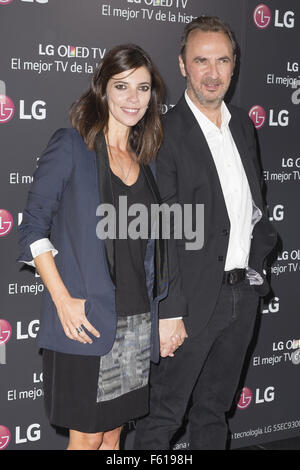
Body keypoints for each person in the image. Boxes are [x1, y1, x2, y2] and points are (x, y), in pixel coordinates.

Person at [18, 44, 177, 450]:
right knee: (86, 440)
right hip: (86, 320)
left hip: (136, 322)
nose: (133, 98)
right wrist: (62, 300)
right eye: (122, 86)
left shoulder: (147, 160)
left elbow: (150, 246)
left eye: (143, 88)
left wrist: (161, 310)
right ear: (102, 89)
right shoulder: (73, 145)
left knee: (113, 436)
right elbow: (34, 226)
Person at [134, 16, 277, 450]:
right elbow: (161, 228)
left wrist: (255, 269)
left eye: (222, 61)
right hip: (190, 302)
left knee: (214, 413)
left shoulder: (242, 128)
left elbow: (251, 206)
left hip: (241, 295)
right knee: (162, 418)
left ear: (234, 66)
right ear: (182, 65)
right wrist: (171, 310)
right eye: (201, 61)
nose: (213, 73)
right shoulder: (164, 132)